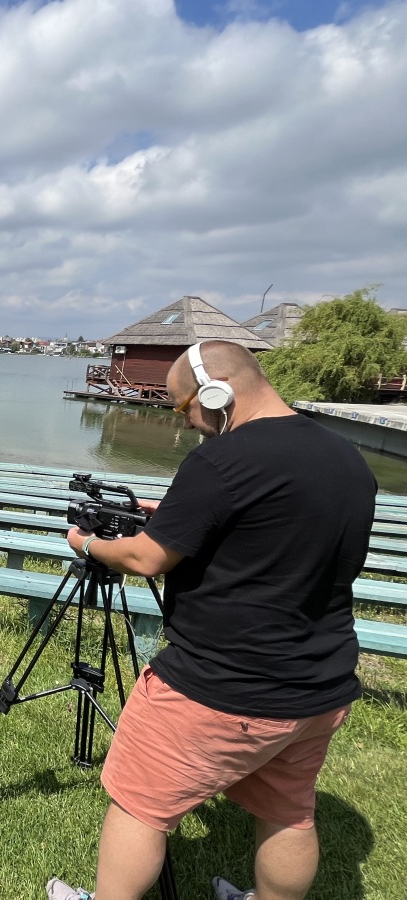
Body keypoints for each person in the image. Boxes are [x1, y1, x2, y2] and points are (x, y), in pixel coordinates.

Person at [49, 340, 376, 900]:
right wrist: (180, 514)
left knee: (140, 803)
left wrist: (87, 543)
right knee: (290, 811)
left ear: (217, 393)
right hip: (319, 684)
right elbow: (278, 531)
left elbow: (145, 558)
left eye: (183, 409)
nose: (187, 424)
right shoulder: (347, 458)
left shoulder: (222, 458)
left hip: (222, 685)